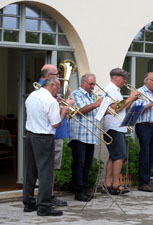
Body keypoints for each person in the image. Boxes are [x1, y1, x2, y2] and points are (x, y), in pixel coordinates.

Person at [23, 77, 69, 216]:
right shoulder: (50, 100)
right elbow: (55, 123)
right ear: (52, 86)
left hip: (30, 135)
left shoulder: (32, 95)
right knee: (45, 173)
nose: (59, 91)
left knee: (30, 171)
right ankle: (44, 206)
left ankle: (29, 202)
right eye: (58, 88)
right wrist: (63, 112)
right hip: (43, 137)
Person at [37, 64, 70, 207]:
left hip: (57, 131)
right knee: (47, 167)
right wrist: (64, 107)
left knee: (53, 167)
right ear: (49, 76)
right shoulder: (40, 88)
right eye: (56, 74)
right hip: (50, 132)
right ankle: (46, 196)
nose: (59, 76)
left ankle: (50, 194)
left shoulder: (54, 87)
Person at [102, 68, 139, 195]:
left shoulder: (116, 90)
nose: (125, 80)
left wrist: (131, 101)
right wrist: (129, 98)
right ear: (115, 77)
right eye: (123, 77)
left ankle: (108, 184)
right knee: (120, 156)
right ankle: (116, 184)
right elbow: (113, 109)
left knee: (114, 156)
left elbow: (122, 108)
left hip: (118, 126)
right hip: (113, 126)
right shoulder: (109, 89)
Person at [68, 73, 103, 201]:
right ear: (83, 83)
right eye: (91, 84)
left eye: (94, 84)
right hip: (79, 135)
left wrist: (103, 107)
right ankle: (78, 191)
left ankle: (85, 189)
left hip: (90, 135)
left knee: (87, 164)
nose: (93, 87)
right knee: (79, 164)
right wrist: (96, 104)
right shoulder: (75, 94)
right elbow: (80, 111)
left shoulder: (91, 96)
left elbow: (94, 113)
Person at [134, 72, 153, 192]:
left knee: (151, 154)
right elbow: (138, 109)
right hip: (143, 126)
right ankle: (142, 183)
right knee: (145, 154)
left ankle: (147, 181)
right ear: (146, 80)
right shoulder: (139, 92)